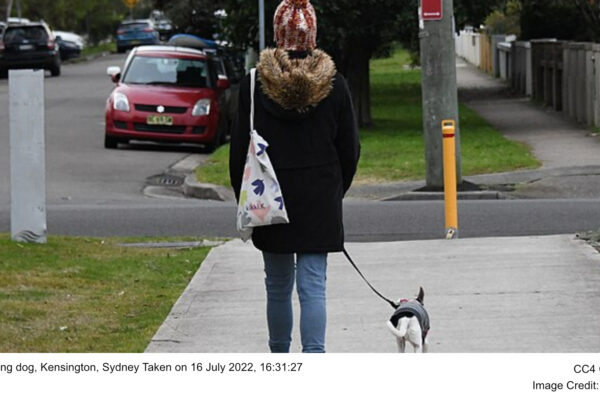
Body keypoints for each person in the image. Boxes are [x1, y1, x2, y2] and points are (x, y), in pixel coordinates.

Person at [229, 0, 360, 353]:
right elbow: (350, 151)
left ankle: (280, 360)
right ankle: (313, 361)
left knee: (277, 285)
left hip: (270, 201)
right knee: (313, 286)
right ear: (313, 35)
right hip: (319, 199)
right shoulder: (335, 86)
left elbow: (238, 151)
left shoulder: (254, 85)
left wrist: (248, 197)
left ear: (277, 35)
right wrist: (334, 190)